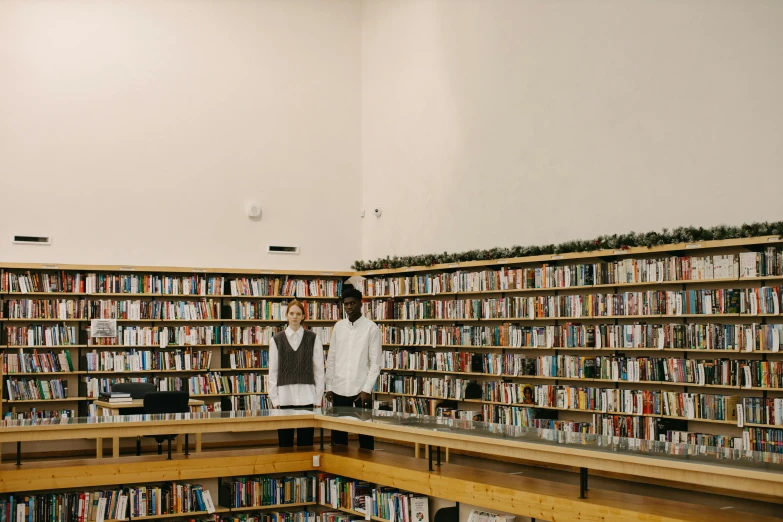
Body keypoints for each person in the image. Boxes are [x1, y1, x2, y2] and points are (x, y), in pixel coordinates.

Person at [325, 284, 381, 449]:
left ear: (361, 303)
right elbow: (332, 357)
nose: (349, 307)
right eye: (346, 304)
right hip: (339, 389)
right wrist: (329, 386)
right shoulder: (339, 327)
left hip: (360, 391)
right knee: (339, 435)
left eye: (353, 303)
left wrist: (367, 389)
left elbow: (375, 363)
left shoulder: (371, 328)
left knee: (365, 435)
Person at [268, 299, 324, 447]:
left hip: (307, 397)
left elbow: (319, 371)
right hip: (284, 397)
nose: (294, 317)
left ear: (303, 316)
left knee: (306, 442)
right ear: (286, 315)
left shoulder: (313, 339)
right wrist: (275, 399)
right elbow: (272, 372)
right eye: (291, 313)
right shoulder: (276, 339)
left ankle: (305, 469)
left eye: (298, 314)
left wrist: (318, 399)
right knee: (285, 441)